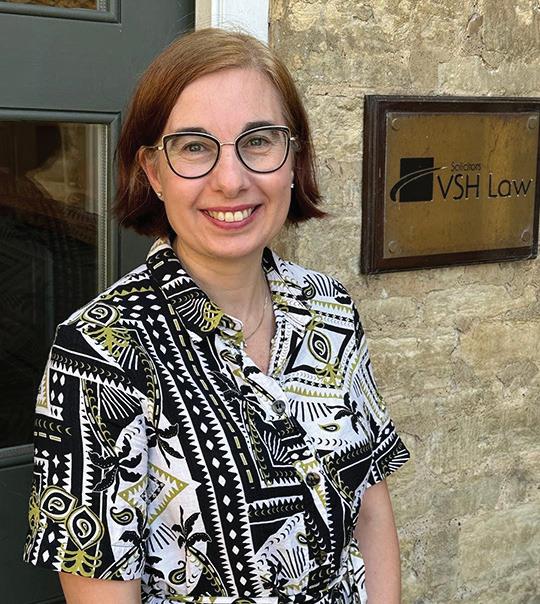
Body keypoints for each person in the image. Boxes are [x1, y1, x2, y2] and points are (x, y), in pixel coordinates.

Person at [23, 28, 410, 604]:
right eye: (194, 147)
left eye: (259, 141)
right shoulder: (98, 353)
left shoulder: (329, 309)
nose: (231, 180)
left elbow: (371, 509)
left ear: (293, 159)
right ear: (153, 173)